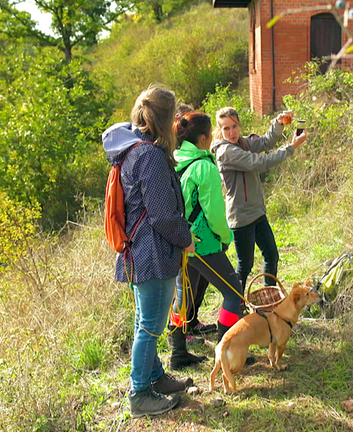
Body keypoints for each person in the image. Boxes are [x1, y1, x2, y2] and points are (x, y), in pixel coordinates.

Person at [102, 86, 195, 418]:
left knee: (147, 320)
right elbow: (160, 214)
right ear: (166, 117)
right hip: (152, 256)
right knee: (150, 326)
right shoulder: (150, 155)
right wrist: (186, 239)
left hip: (139, 254)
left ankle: (155, 376)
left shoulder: (133, 149)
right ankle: (139, 393)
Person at [169, 111, 247, 360]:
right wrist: (225, 238)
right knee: (233, 294)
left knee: (183, 297)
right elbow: (214, 212)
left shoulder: (175, 160)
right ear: (203, 138)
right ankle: (227, 351)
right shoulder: (204, 167)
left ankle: (178, 353)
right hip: (204, 243)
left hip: (183, 241)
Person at [211, 107, 306, 292]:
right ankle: (236, 305)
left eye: (235, 126)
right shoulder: (226, 152)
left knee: (272, 255)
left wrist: (278, 124)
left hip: (257, 212)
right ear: (220, 130)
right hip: (241, 217)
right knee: (244, 266)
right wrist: (292, 147)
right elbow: (259, 163)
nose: (232, 132)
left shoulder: (241, 142)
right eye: (226, 129)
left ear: (239, 125)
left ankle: (269, 297)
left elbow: (264, 142)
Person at [175, 103, 216, 337]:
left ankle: (190, 325)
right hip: (191, 235)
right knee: (185, 288)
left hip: (189, 233)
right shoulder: (191, 161)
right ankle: (180, 337)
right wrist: (223, 235)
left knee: (195, 284)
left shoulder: (184, 158)